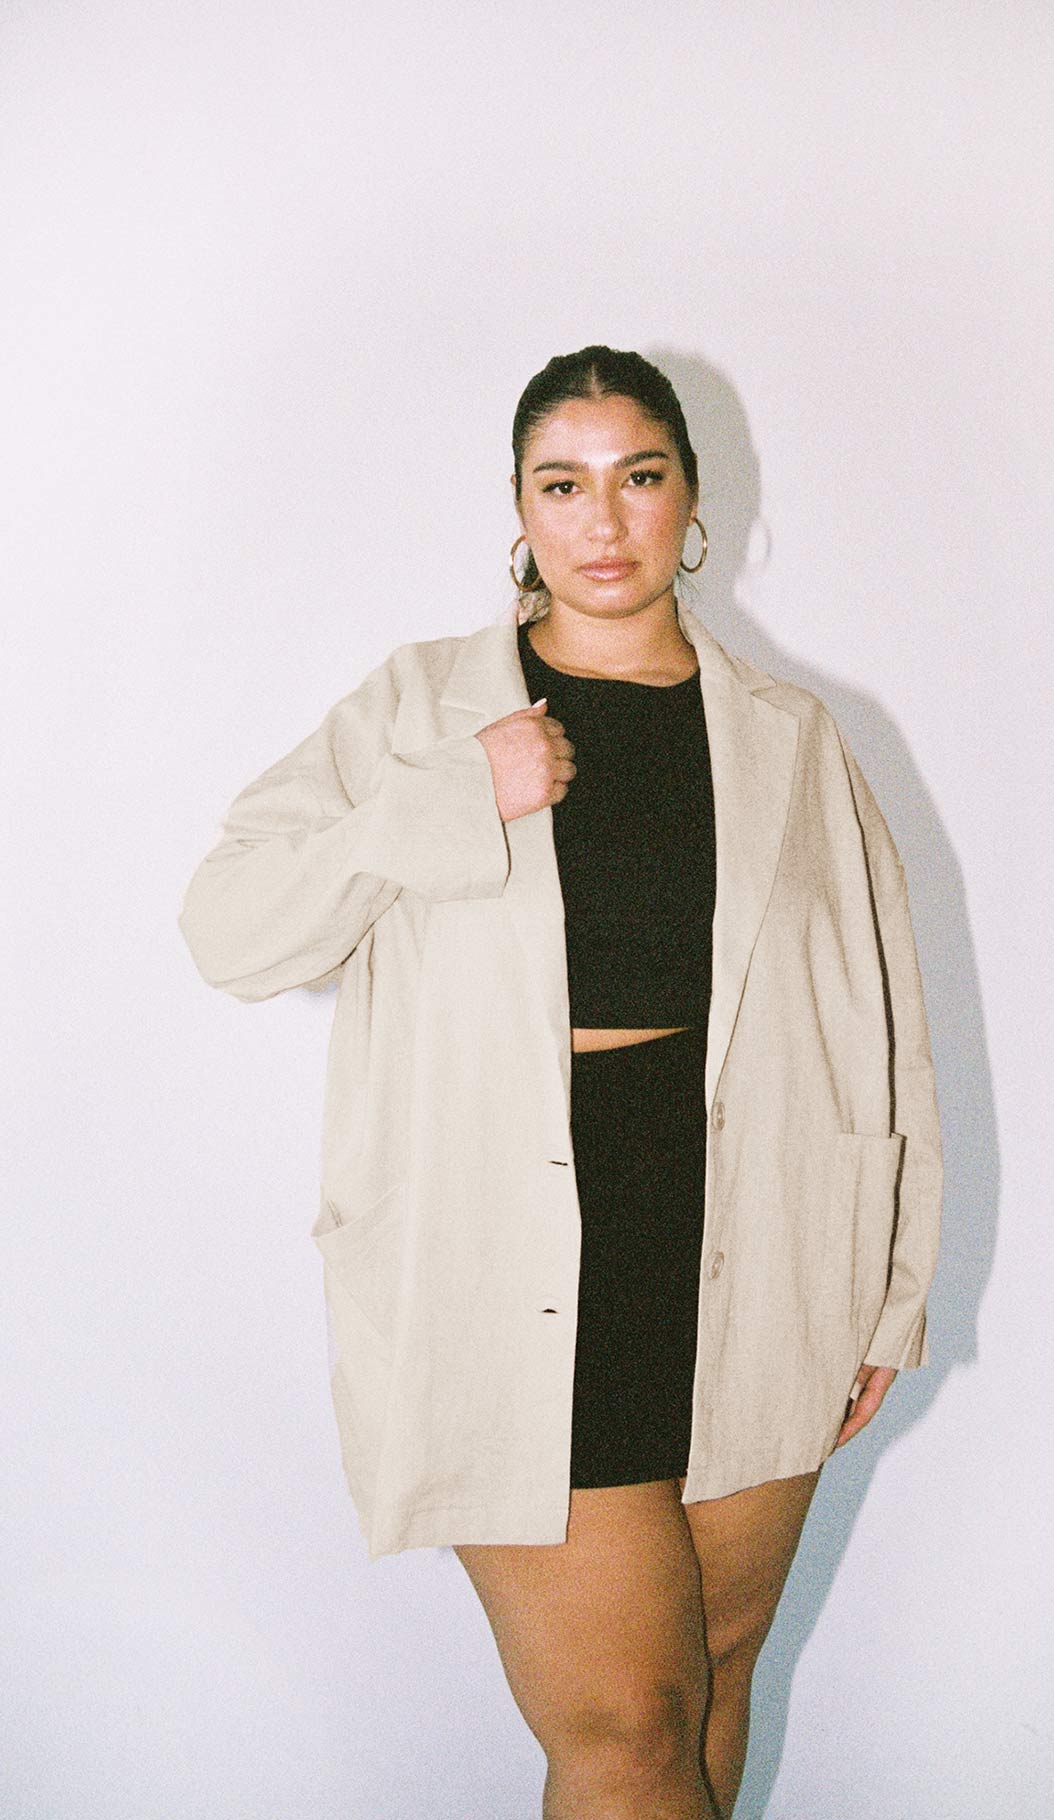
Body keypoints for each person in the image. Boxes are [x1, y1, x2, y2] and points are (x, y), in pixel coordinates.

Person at [178, 345, 943, 1819]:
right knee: (627, 1726)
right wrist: (456, 791)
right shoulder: (421, 708)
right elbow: (233, 931)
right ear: (521, 511)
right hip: (512, 1246)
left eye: (638, 477)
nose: (604, 520)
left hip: (756, 1241)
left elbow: (884, 1022)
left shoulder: (788, 735)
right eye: (564, 485)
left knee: (710, 1680)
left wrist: (890, 1289)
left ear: (692, 501)